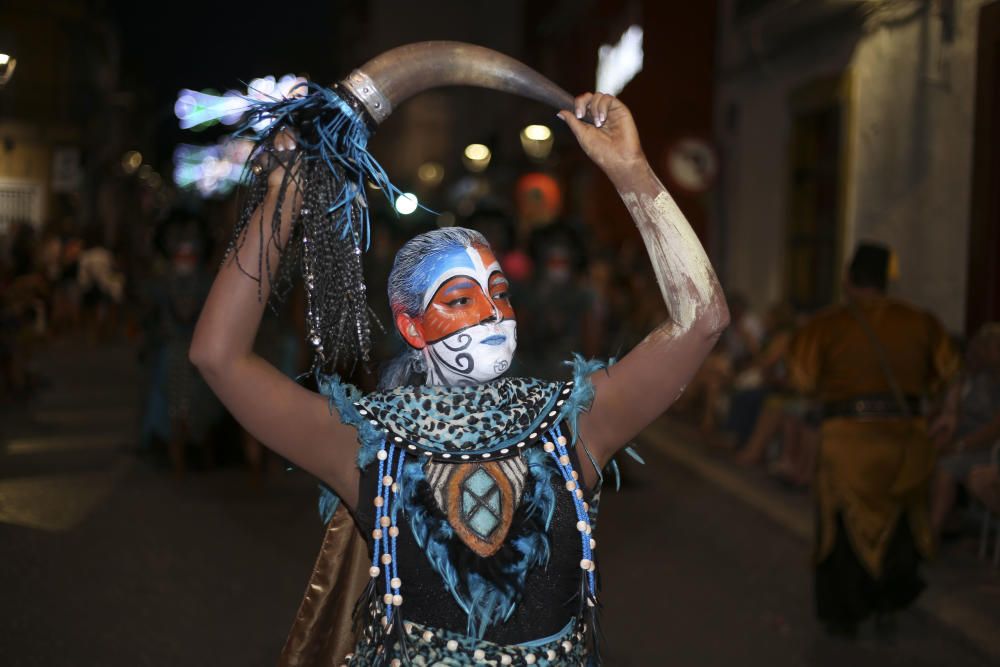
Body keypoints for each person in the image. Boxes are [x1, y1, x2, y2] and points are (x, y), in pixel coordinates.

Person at [191, 89, 727, 664]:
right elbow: (218, 357)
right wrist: (283, 193)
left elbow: (702, 320)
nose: (493, 313)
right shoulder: (368, 442)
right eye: (461, 298)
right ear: (413, 328)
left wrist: (629, 169)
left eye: (499, 293)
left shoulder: (573, 424)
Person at [786, 242, 959, 638]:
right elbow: (951, 372)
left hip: (848, 442)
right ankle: (888, 603)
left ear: (848, 278)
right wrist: (949, 414)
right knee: (898, 525)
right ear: (886, 281)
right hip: (905, 441)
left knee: (843, 530)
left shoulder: (825, 325)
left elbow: (803, 381)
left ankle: (845, 616)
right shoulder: (921, 322)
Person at [929, 323, 1000, 539]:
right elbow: (952, 414)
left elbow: (995, 429)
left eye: (989, 347)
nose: (981, 351)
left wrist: (959, 446)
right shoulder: (978, 378)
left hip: (987, 448)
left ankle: (932, 532)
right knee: (923, 457)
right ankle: (937, 525)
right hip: (968, 441)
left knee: (950, 467)